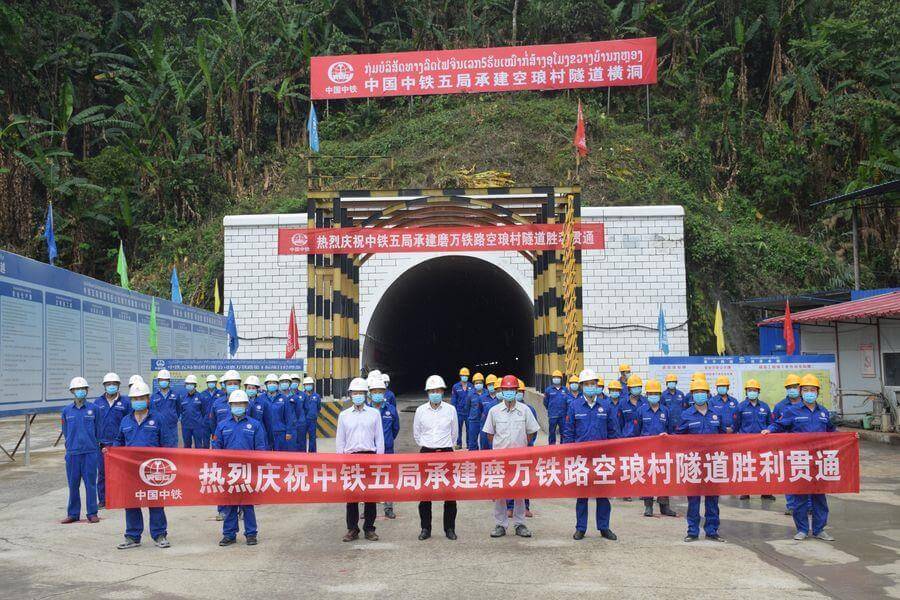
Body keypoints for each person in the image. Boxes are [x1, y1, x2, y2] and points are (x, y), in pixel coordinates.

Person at [762, 373, 836, 541]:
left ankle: (819, 529)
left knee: (819, 497)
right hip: (800, 460)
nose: (809, 392)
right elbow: (778, 425)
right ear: (801, 392)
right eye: (806, 390)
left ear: (817, 392)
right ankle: (802, 529)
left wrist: (850, 438)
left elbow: (832, 432)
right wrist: (769, 430)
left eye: (813, 390)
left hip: (818, 460)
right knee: (800, 497)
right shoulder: (792, 411)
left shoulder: (823, 412)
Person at [112, 381, 176, 549]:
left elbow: (168, 443)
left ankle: (159, 534)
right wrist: (111, 452)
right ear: (131, 401)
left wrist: (167, 465)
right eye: (135, 398)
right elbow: (119, 441)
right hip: (131, 470)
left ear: (148, 399)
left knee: (155, 502)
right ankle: (133, 536)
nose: (138, 401)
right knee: (132, 502)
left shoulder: (158, 419)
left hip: (153, 469)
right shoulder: (126, 421)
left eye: (141, 398)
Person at [563, 369, 619, 541]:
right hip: (582, 458)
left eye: (593, 384)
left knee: (603, 495)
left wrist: (614, 454)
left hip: (602, 458)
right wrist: (569, 455)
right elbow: (568, 433)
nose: (590, 387)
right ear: (581, 387)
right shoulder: (574, 406)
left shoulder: (606, 406)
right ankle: (581, 528)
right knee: (582, 495)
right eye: (587, 384)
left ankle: (604, 527)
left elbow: (613, 432)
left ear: (597, 386)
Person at [483, 375, 539, 538]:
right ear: (501, 391)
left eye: (511, 390)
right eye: (505, 390)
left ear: (516, 391)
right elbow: (490, 435)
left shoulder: (525, 410)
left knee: (519, 492)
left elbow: (531, 432)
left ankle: (520, 524)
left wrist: (520, 446)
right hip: (500, 460)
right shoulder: (494, 411)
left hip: (519, 459)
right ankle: (500, 524)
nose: (508, 392)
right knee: (500, 493)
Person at [212, 390, 267, 546]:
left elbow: (260, 449)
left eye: (241, 404)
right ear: (230, 406)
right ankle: (229, 534)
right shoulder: (222, 425)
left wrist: (257, 470)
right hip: (229, 472)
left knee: (247, 504)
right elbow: (216, 448)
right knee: (229, 504)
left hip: (247, 471)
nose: (238, 406)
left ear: (246, 405)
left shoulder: (255, 425)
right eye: (235, 404)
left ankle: (251, 534)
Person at [676, 378, 726, 542]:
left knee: (712, 499)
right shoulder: (686, 415)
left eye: (702, 392)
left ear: (707, 394)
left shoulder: (716, 414)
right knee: (694, 500)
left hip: (713, 463)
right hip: (694, 463)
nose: (699, 395)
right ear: (692, 395)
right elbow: (678, 437)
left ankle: (712, 531)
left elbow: (724, 436)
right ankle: (692, 531)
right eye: (696, 392)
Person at [337, 377, 384, 541]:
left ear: (366, 395)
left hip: (369, 457)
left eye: (360, 393)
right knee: (352, 497)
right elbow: (340, 441)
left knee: (370, 495)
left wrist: (380, 461)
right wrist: (341, 462)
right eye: (355, 393)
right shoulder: (344, 416)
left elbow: (379, 439)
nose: (357, 395)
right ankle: (352, 529)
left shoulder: (374, 414)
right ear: (350, 395)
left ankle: (369, 528)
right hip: (350, 458)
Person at [413, 375, 460, 540]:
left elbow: (454, 434)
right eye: (432, 391)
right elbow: (417, 434)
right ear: (427, 393)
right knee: (425, 494)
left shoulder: (450, 410)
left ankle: (449, 529)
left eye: (437, 390)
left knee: (449, 494)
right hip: (426, 453)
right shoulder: (420, 411)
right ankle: (425, 528)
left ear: (442, 391)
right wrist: (429, 446)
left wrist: (445, 446)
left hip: (446, 452)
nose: (435, 393)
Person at [61, 377, 100, 524]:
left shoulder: (93, 409)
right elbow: (65, 431)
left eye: (83, 389)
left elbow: (98, 429)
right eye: (77, 389)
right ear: (72, 391)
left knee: (90, 484)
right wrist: (71, 445)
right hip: (73, 453)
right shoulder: (66, 411)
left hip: (90, 452)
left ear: (87, 391)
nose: (80, 391)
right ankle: (73, 514)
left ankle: (92, 513)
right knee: (73, 484)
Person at [636, 380, 677, 517]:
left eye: (656, 393)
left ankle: (665, 506)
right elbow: (637, 430)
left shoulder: (665, 411)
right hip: (646, 450)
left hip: (662, 450)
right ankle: (648, 506)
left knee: (663, 478)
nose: (653, 396)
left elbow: (671, 430)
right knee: (648, 477)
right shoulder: (641, 410)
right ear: (647, 395)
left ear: (660, 395)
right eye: (651, 393)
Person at [733, 379, 776, 501]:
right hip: (745, 442)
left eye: (755, 390)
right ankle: (746, 491)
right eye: (750, 390)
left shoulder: (765, 407)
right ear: (746, 392)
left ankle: (766, 491)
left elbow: (770, 423)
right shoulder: (740, 407)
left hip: (763, 442)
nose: (752, 392)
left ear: (758, 392)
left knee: (764, 465)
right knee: (746, 466)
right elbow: (736, 424)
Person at [94, 372, 131, 509]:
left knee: (121, 473)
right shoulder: (98, 403)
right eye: (108, 384)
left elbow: (130, 421)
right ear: (104, 386)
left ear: (118, 385)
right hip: (102, 444)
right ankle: (103, 500)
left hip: (120, 444)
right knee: (102, 473)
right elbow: (94, 423)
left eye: (114, 384)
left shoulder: (126, 402)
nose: (111, 386)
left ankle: (121, 498)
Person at [773, 373, 806, 515]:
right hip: (787, 448)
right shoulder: (780, 406)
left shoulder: (808, 405)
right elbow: (775, 424)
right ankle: (792, 506)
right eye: (789, 387)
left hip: (806, 448)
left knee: (806, 477)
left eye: (794, 387)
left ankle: (809, 506)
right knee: (790, 477)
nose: (792, 389)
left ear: (800, 388)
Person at [369, 373, 399, 519]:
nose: (377, 394)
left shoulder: (391, 410)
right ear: (370, 393)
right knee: (369, 479)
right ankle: (368, 508)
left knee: (388, 478)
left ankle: (388, 508)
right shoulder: (366, 410)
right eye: (374, 392)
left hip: (387, 450)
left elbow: (396, 428)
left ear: (384, 393)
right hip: (370, 450)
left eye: (380, 392)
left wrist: (387, 441)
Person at [508, 379, 536, 518]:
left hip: (525, 450)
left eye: (519, 391)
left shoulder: (529, 409)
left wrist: (526, 443)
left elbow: (533, 431)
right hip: (507, 452)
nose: (517, 394)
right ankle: (510, 507)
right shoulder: (499, 410)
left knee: (524, 480)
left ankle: (525, 506)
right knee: (508, 480)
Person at [178, 375, 209, 449]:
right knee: (187, 445)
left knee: (198, 445)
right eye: (188, 384)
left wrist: (201, 422)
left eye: (191, 384)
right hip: (186, 426)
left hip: (197, 426)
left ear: (195, 385)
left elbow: (204, 412)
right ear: (185, 385)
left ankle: (199, 460)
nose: (189, 386)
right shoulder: (182, 397)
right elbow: (180, 410)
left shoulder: (201, 397)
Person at [268, 374, 297, 451]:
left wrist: (288, 432)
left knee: (280, 455)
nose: (271, 385)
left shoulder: (283, 398)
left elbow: (288, 416)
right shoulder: (262, 398)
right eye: (269, 383)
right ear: (266, 385)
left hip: (280, 432)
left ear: (277, 385)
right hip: (267, 433)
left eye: (274, 383)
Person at [150, 369, 180, 436]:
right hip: (157, 427)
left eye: (165, 380)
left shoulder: (175, 395)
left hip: (172, 427)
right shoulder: (153, 396)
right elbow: (152, 411)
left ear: (169, 381)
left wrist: (173, 417)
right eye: (161, 380)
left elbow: (178, 409)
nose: (163, 381)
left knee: (172, 445)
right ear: (158, 381)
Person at [544, 369, 568, 445]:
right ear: (552, 379)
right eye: (555, 377)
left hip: (563, 415)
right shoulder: (548, 390)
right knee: (552, 432)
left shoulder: (565, 389)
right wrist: (550, 409)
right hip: (552, 415)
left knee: (564, 432)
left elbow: (568, 402)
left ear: (561, 379)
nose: (556, 379)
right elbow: (545, 402)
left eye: (558, 377)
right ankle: (552, 446)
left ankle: (563, 446)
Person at [466, 372, 487, 450]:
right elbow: (467, 407)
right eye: (476, 383)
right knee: (472, 442)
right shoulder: (470, 394)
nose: (478, 384)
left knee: (484, 441)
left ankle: (484, 457)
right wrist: (470, 417)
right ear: (474, 384)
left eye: (480, 382)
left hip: (484, 421)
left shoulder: (486, 393)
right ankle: (473, 458)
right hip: (473, 421)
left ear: (483, 383)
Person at [451, 367, 471, 449]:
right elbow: (453, 399)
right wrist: (453, 411)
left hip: (469, 412)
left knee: (469, 429)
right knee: (458, 429)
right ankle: (459, 444)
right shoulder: (455, 387)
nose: (464, 377)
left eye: (466, 375)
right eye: (463, 375)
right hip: (459, 412)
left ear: (468, 376)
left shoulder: (471, 386)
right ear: (460, 376)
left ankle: (469, 444)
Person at [479, 375, 501, 450]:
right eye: (489, 384)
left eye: (493, 384)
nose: (491, 386)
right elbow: (480, 413)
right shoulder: (483, 399)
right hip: (486, 427)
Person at [301, 376, 322, 452]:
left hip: (312, 420)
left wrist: (314, 414)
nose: (308, 386)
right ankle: (302, 453)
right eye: (307, 384)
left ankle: (312, 454)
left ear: (313, 385)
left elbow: (319, 407)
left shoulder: (317, 396)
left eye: (310, 384)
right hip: (302, 421)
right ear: (304, 385)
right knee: (302, 438)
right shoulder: (301, 396)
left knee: (312, 438)